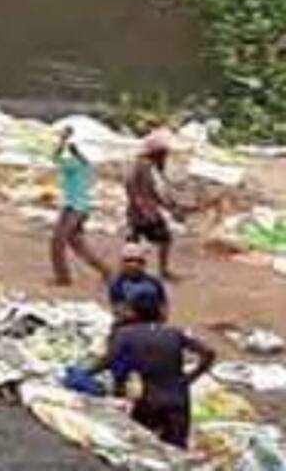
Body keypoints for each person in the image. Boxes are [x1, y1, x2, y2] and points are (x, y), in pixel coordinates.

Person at [83, 292, 215, 449]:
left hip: (150, 398)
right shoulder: (174, 332)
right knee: (177, 448)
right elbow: (209, 352)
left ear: (134, 312)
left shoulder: (126, 334)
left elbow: (107, 361)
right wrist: (191, 377)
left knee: (143, 445)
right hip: (178, 398)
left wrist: (84, 374)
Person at [51, 125, 110, 287]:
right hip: (83, 209)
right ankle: (106, 271)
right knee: (79, 245)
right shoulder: (87, 166)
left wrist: (62, 140)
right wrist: (71, 147)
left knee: (57, 243)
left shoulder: (73, 165)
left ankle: (63, 278)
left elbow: (54, 157)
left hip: (72, 208)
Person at [126, 129, 183, 279]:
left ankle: (130, 272)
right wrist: (144, 208)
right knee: (164, 240)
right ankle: (161, 271)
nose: (166, 156)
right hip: (145, 212)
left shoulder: (144, 165)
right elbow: (134, 187)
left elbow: (150, 192)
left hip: (140, 211)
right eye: (164, 153)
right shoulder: (144, 166)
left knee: (134, 242)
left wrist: (169, 208)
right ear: (157, 152)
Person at [108, 242, 170, 322]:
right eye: (129, 260)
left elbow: (163, 304)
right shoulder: (117, 283)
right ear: (122, 263)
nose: (134, 264)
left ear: (144, 263)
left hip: (154, 321)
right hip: (130, 323)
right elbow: (119, 308)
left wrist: (161, 318)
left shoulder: (153, 281)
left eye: (139, 261)